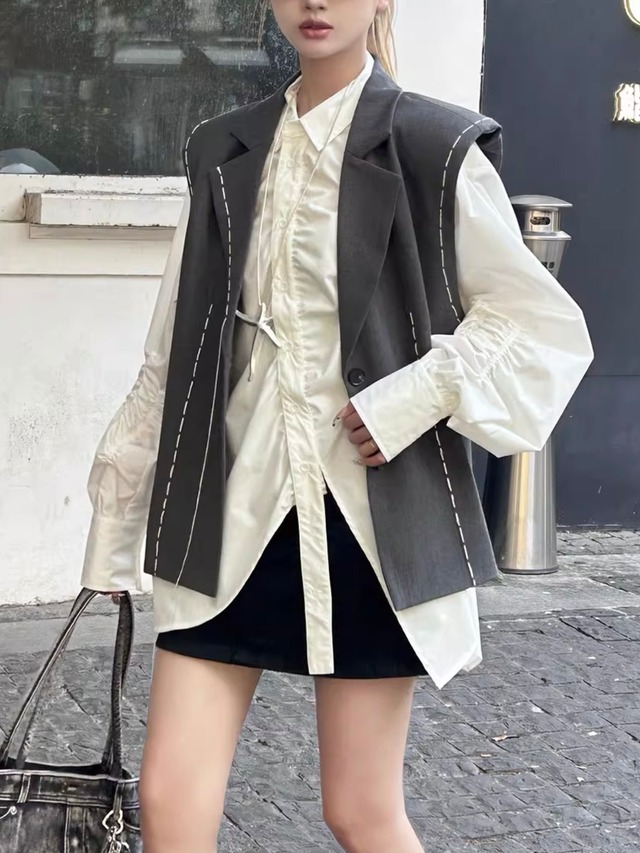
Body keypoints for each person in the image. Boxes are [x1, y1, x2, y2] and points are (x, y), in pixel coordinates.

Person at [80, 1, 594, 851]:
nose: (315, 2)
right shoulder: (225, 148)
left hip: (369, 524)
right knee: (168, 798)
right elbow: (174, 350)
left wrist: (410, 398)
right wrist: (120, 520)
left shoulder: (431, 145)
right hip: (231, 512)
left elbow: (537, 323)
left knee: (359, 809)